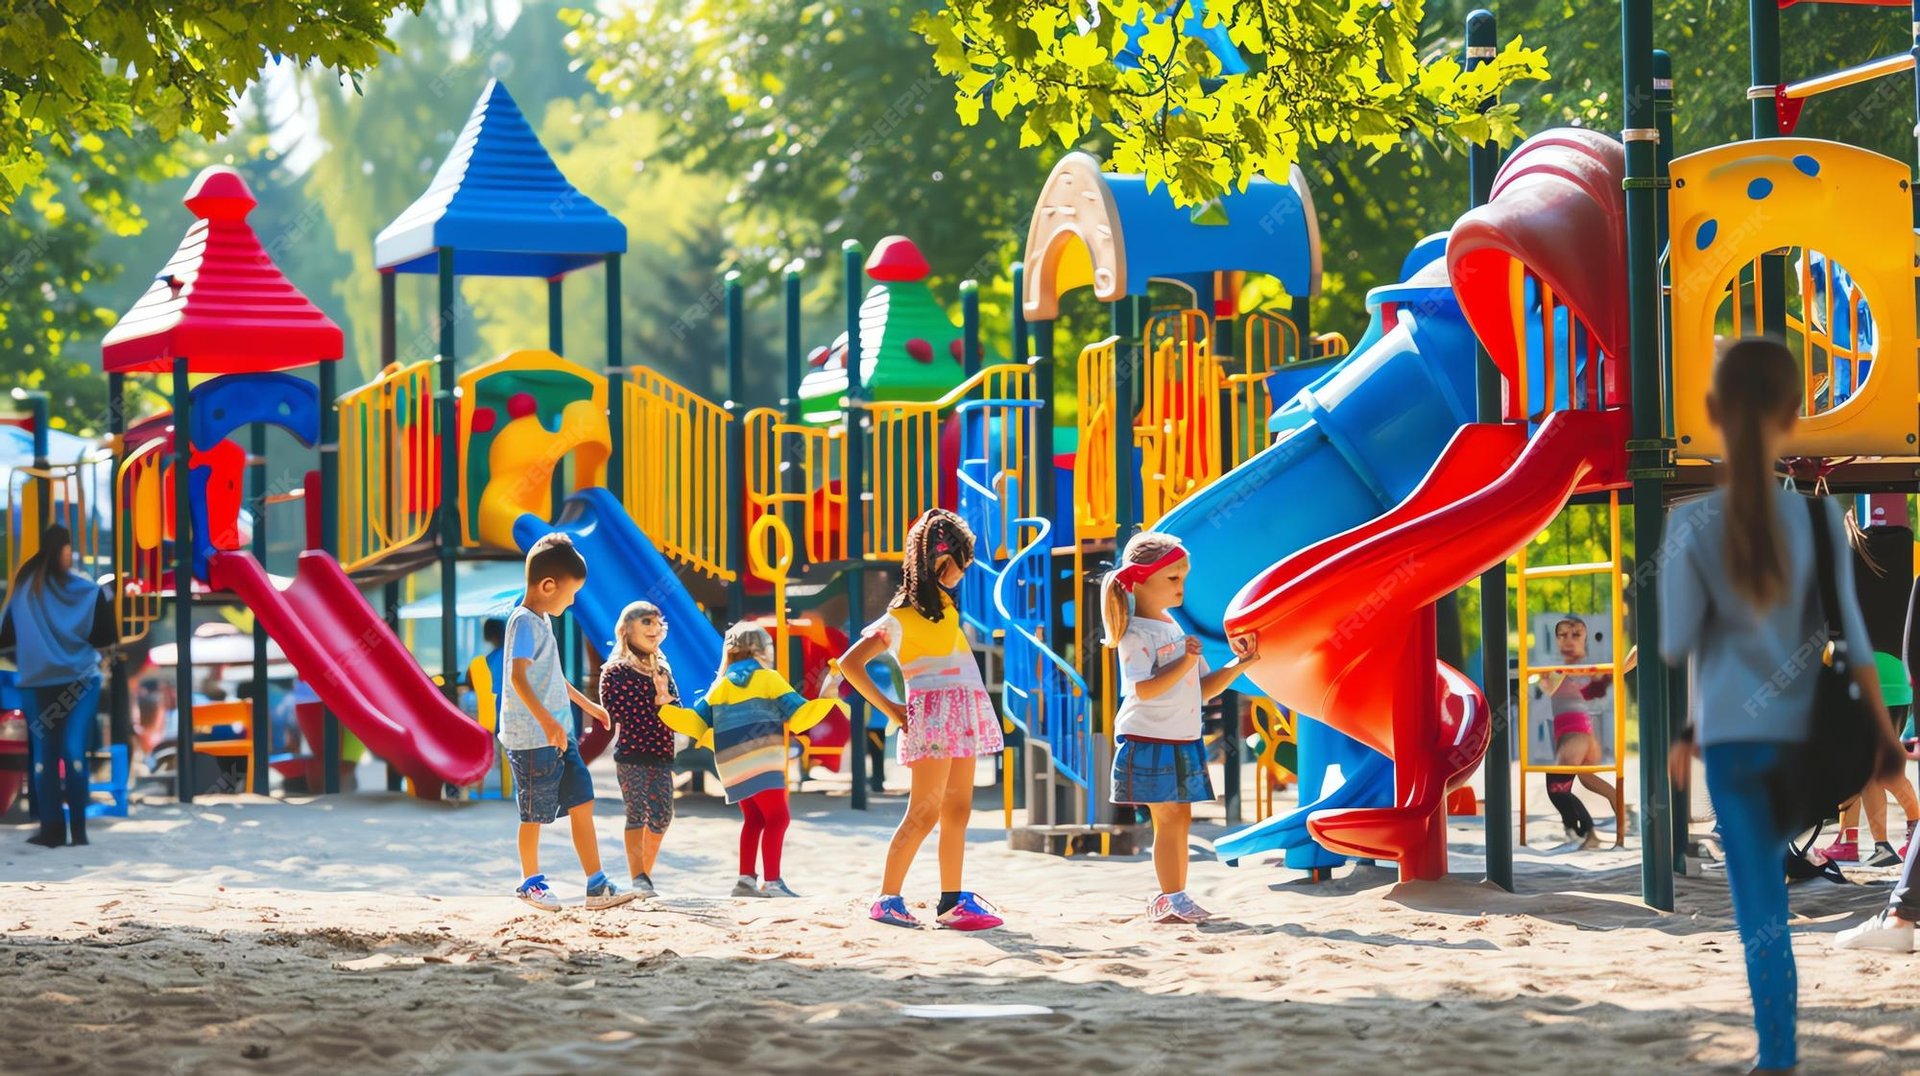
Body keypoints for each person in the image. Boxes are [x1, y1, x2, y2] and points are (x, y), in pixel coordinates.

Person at [1661, 338, 1906, 1074]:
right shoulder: (1820, 522)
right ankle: (1779, 1057)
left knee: (1761, 910)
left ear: (1710, 414)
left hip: (1733, 743)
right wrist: (1882, 736)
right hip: (1807, 736)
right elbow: (1856, 639)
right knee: (1775, 878)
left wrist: (1684, 730)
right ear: (1795, 416)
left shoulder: (1691, 526)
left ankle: (1778, 1057)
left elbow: (1676, 641)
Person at [839, 509, 1005, 930]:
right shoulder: (898, 618)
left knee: (958, 808)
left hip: (962, 712)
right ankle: (887, 899)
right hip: (932, 716)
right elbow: (849, 664)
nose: (965, 571)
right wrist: (891, 708)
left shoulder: (946, 607)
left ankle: (951, 900)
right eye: (962, 563)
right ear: (941, 563)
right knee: (924, 811)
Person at [1101, 531, 1257, 923]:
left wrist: (1243, 664)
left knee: (1180, 821)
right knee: (1168, 819)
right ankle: (1171, 897)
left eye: (1182, 578)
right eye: (1172, 578)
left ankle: (1176, 897)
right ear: (1140, 580)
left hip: (1181, 737)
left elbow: (1203, 690)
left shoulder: (1173, 627)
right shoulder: (1135, 633)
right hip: (1149, 737)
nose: (1180, 587)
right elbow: (1144, 689)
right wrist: (1184, 662)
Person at [499, 534, 632, 911]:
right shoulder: (522, 622)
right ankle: (530, 882)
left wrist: (588, 703)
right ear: (547, 586)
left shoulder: (543, 621)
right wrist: (547, 723)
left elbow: (552, 675)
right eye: (569, 594)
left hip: (559, 734)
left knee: (582, 800)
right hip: (532, 738)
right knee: (534, 813)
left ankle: (596, 883)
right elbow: (518, 678)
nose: (572, 602)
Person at [681, 623, 838, 898]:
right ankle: (773, 881)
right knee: (779, 817)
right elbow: (797, 713)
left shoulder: (721, 683)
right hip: (764, 758)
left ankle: (745, 880)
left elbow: (697, 721)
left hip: (731, 763)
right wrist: (827, 697)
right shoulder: (768, 678)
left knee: (754, 819)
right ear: (763, 650)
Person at [0, 524, 113, 848]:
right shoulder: (83, 591)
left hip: (53, 683)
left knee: (53, 756)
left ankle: (65, 830)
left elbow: (5, 636)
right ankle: (65, 830)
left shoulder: (26, 589)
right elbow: (105, 637)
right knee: (64, 755)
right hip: (63, 683)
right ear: (65, 551)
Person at [1534, 616, 1635, 849]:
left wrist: (1541, 679)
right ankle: (1611, 811)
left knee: (1557, 788)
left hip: (1575, 734)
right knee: (1585, 780)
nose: (1568, 640)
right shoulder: (1577, 668)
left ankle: (1586, 833)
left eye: (1576, 634)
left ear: (1585, 639)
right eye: (1563, 635)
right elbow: (1591, 688)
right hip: (1580, 732)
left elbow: (1551, 688)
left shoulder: (1571, 667)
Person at [600, 601, 679, 898]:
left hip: (662, 753)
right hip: (632, 754)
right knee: (637, 814)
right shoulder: (615, 671)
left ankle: (643, 874)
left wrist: (665, 698)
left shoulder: (663, 669)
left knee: (662, 816)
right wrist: (656, 701)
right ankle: (640, 877)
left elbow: (677, 712)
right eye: (646, 622)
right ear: (626, 629)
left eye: (658, 623)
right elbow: (616, 710)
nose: (654, 628)